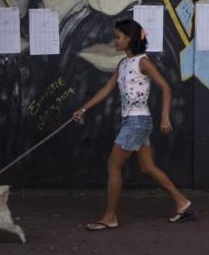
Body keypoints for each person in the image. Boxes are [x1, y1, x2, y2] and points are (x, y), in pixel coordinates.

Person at [73, 19, 193, 230]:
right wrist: (83, 109)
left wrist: (165, 117)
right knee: (147, 167)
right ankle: (182, 202)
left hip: (138, 121)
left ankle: (110, 217)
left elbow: (165, 87)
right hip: (133, 121)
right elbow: (106, 89)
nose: (114, 40)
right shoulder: (123, 64)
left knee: (113, 165)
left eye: (118, 37)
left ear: (129, 38)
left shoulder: (142, 62)